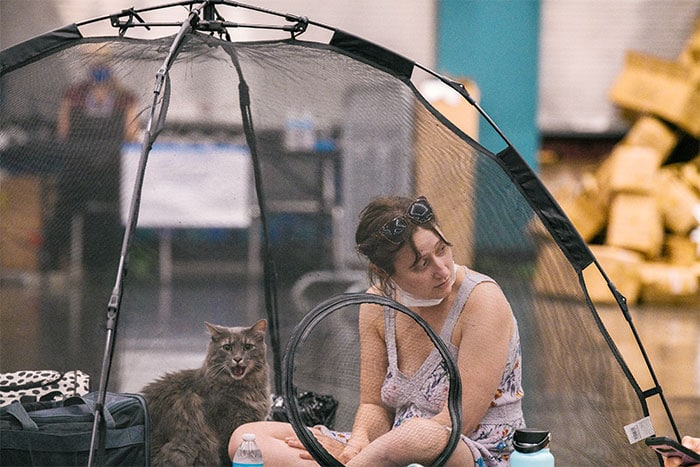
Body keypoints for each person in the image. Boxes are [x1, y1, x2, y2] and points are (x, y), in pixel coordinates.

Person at [230, 195, 525, 466]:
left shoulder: (481, 300)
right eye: (422, 264)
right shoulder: (376, 305)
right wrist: (356, 444)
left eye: (442, 250)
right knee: (247, 438)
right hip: (385, 454)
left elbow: (461, 421)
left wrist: (372, 453)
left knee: (418, 435)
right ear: (386, 274)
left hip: (470, 450)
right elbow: (374, 405)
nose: (442, 269)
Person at [42, 59, 139, 271]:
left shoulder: (124, 97)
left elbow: (132, 134)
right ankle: (55, 261)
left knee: (104, 212)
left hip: (108, 169)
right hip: (81, 168)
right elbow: (63, 130)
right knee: (67, 210)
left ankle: (104, 263)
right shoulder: (75, 95)